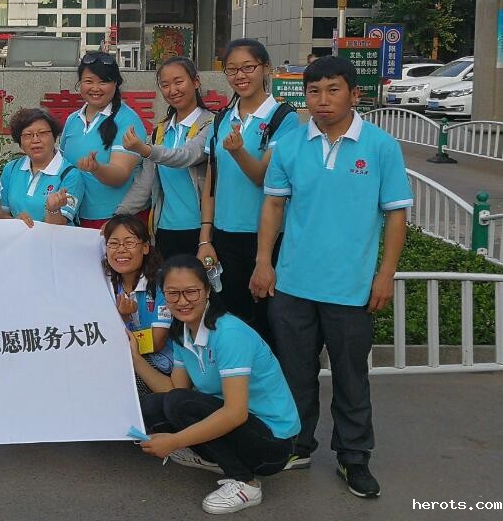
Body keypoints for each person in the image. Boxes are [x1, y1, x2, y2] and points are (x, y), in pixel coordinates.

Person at [253, 56, 412, 498]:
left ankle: (353, 457)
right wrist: (264, 262)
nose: (322, 100)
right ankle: (298, 445)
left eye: (333, 90)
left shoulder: (380, 147)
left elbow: (396, 215)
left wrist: (385, 274)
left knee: (350, 377)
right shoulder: (290, 145)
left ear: (354, 94)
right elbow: (273, 205)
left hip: (351, 288)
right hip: (293, 285)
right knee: (295, 373)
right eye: (314, 91)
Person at [133, 255, 300, 515]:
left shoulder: (229, 334)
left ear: (208, 291)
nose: (182, 301)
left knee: (181, 403)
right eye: (173, 293)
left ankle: (246, 483)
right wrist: (133, 357)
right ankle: (215, 458)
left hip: (273, 443)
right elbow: (173, 390)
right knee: (152, 406)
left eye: (191, 292)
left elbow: (235, 413)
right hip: (242, 428)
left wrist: (175, 441)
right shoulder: (183, 332)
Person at [196, 39, 299, 343]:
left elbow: (264, 178)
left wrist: (239, 152)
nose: (240, 76)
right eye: (231, 70)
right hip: (225, 237)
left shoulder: (283, 118)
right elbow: (211, 183)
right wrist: (206, 239)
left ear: (266, 68)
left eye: (248, 67)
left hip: (265, 239)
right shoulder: (222, 119)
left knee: (265, 324)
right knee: (229, 322)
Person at [116, 56, 213, 259]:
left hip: (204, 232)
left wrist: (145, 150)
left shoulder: (212, 124)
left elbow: (187, 156)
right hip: (165, 231)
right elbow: (144, 184)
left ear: (196, 82)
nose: (172, 90)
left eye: (179, 82)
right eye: (165, 85)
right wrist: (118, 217)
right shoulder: (160, 131)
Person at [59, 51, 147, 228]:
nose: (95, 88)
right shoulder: (72, 120)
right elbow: (61, 167)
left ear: (116, 83)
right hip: (75, 218)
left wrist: (96, 168)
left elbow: (120, 174)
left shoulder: (127, 120)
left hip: (117, 221)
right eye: (89, 81)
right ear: (80, 83)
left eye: (103, 82)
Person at [101, 215, 171, 387]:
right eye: (113, 243)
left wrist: (124, 321)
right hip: (119, 358)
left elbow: (157, 341)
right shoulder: (105, 283)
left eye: (129, 243)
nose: (121, 250)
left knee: (117, 383)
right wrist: (122, 319)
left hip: (161, 362)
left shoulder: (162, 283)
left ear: (145, 247)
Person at [0, 108, 83, 226]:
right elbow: (1, 214)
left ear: (54, 137)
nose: (35, 140)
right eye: (28, 135)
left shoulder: (70, 174)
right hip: (18, 237)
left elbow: (61, 225)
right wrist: (15, 221)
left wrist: (52, 209)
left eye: (42, 133)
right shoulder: (11, 169)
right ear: (20, 143)